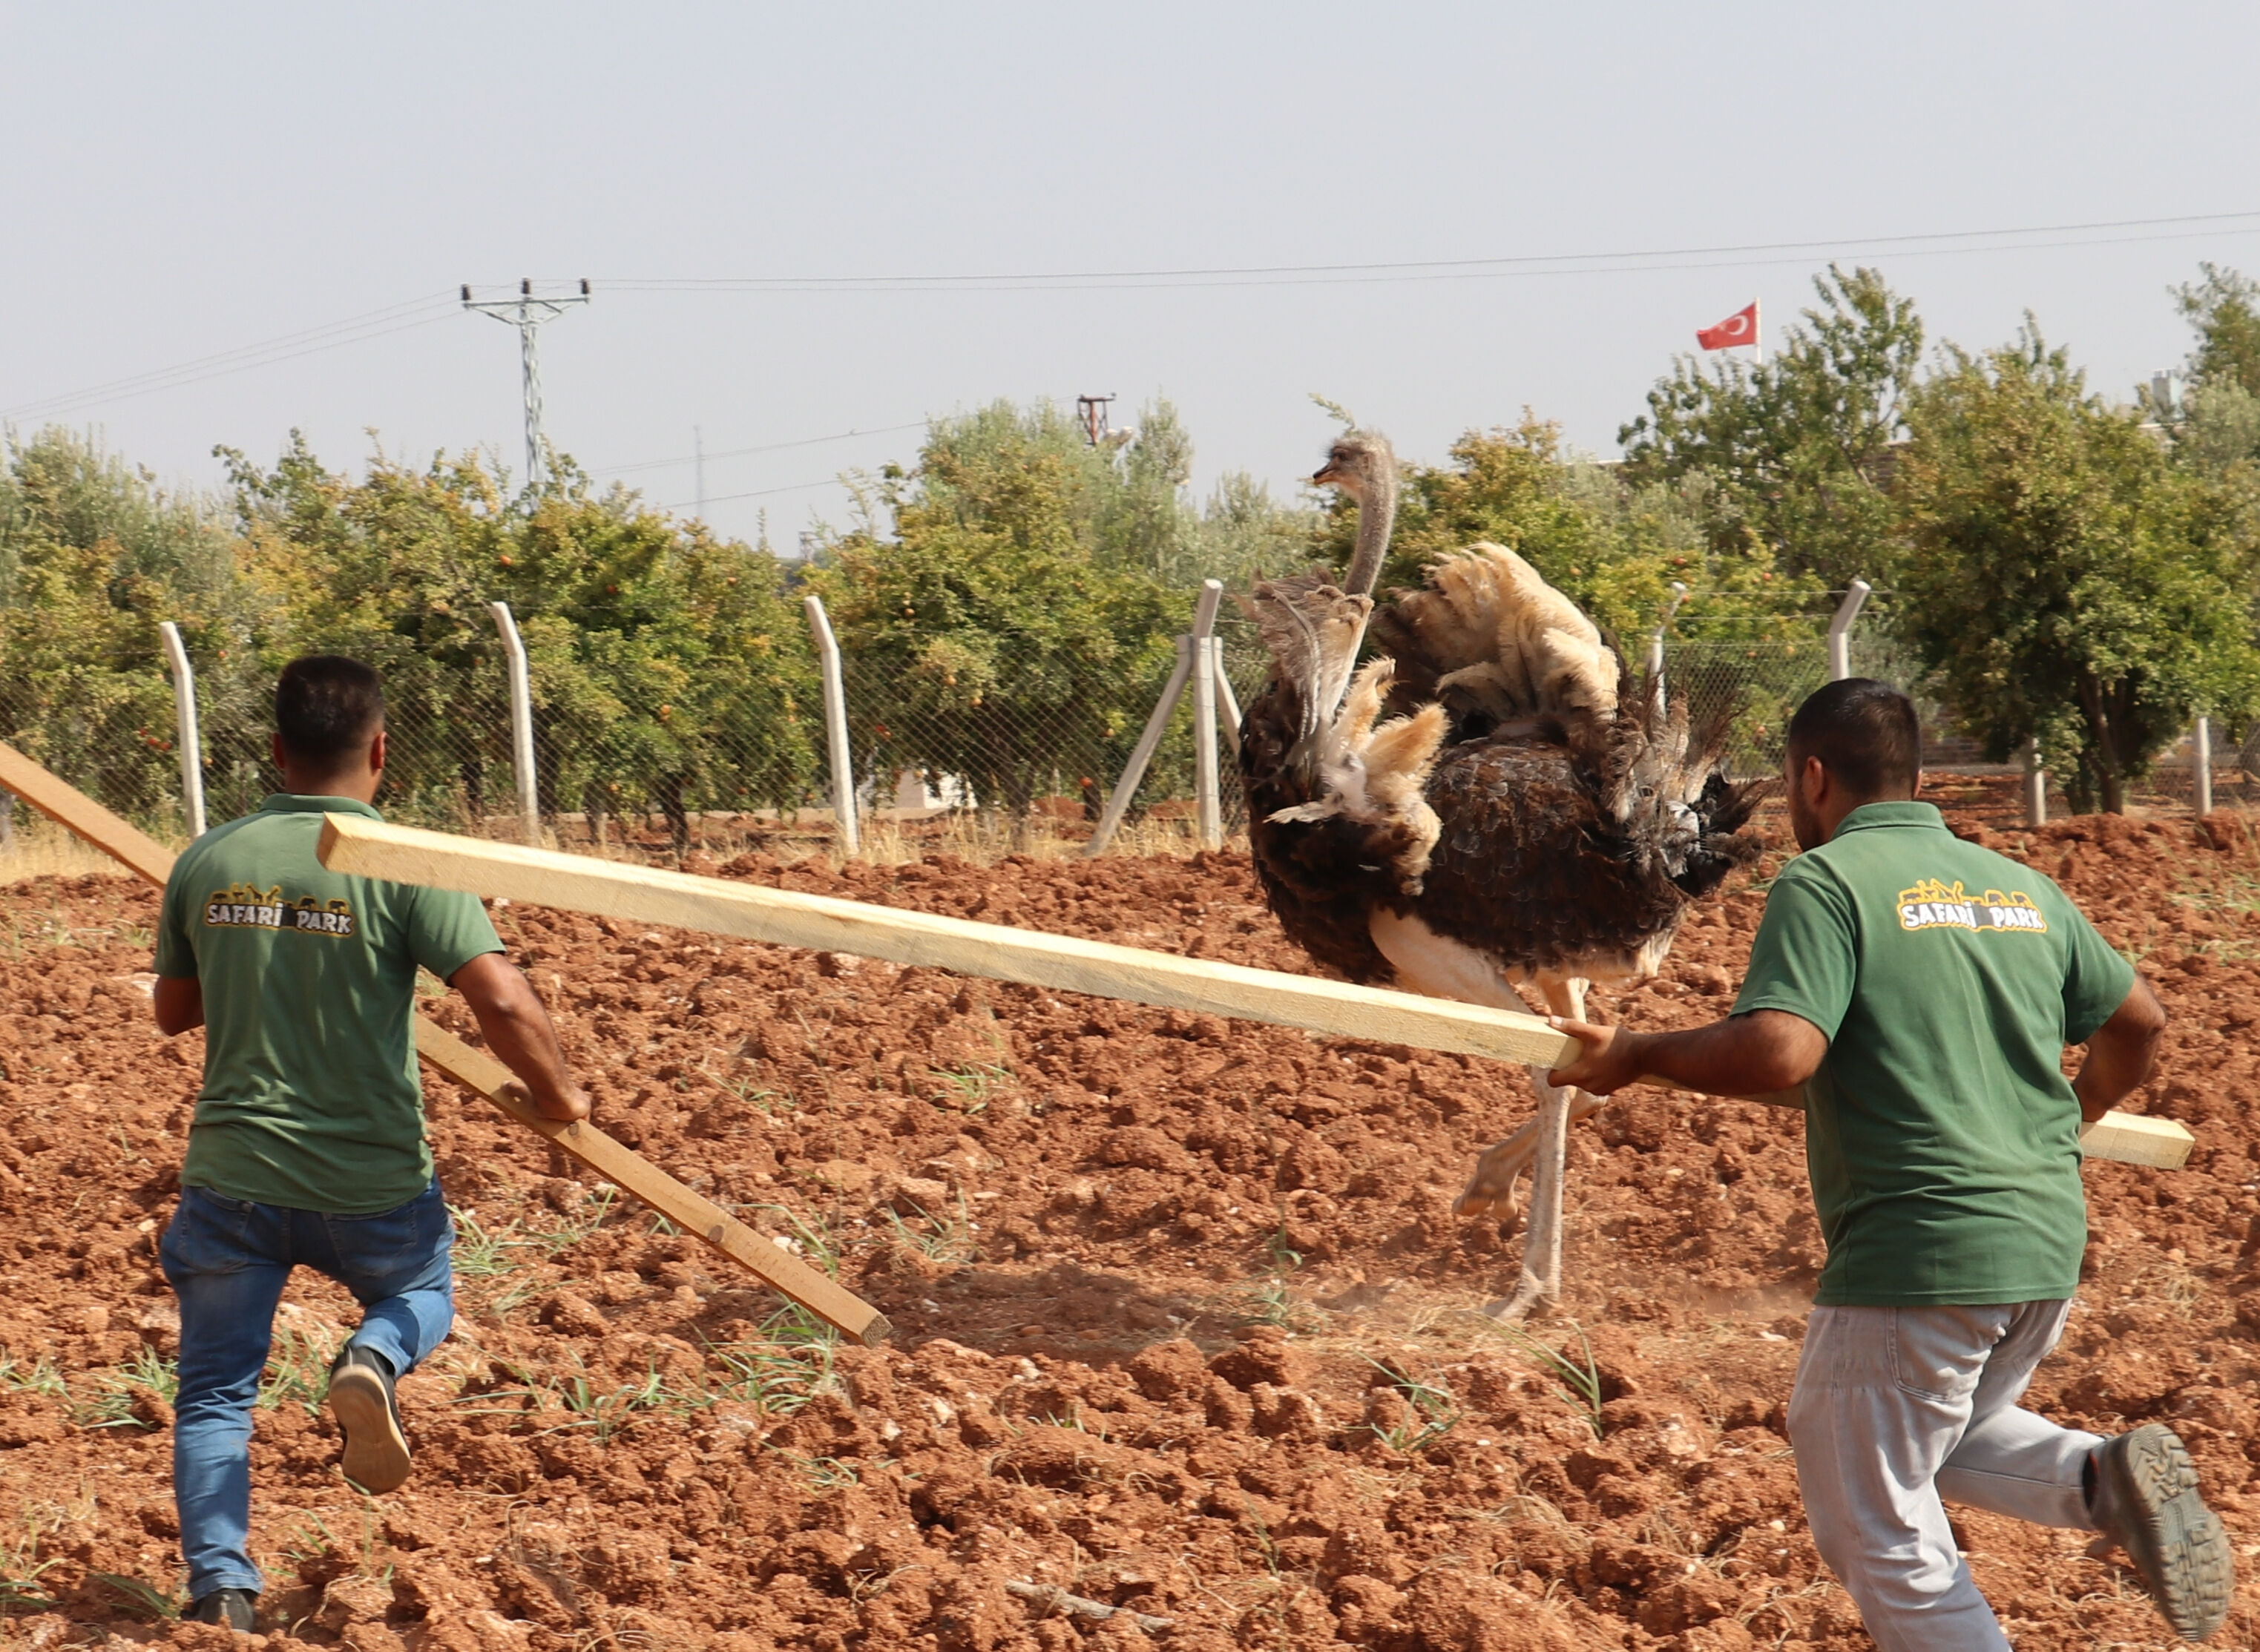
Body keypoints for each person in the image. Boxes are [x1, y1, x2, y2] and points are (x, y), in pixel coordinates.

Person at [1545, 678, 2232, 1650]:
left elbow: (1782, 1050)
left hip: (1920, 1251)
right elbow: (2140, 1021)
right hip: (2038, 1244)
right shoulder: (2015, 889)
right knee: (1927, 1440)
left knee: (1868, 1518)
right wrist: (2063, 1122)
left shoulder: (1825, 884)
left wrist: (1635, 1054)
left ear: (1811, 777)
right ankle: (2103, 1482)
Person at [151, 656, 591, 1632]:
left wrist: (254, 947)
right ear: (381, 751)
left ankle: (220, 1589)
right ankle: (377, 1359)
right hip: (371, 1184)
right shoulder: (404, 865)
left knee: (216, 1391)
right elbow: (503, 998)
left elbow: (173, 1015)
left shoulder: (208, 859)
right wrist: (562, 1100)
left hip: (232, 1180)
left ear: (273, 751)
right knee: (422, 1293)